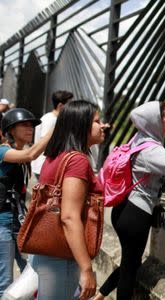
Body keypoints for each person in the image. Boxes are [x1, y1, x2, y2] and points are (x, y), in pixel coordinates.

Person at [94, 101, 165, 300]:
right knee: (130, 269)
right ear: (154, 122)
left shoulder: (139, 138)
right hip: (136, 215)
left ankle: (100, 295)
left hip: (123, 209)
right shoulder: (151, 151)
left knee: (130, 263)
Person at [32, 100, 107, 300]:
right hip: (62, 257)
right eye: (97, 121)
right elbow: (69, 216)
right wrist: (86, 269)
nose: (102, 126)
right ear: (81, 124)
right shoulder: (77, 161)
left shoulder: (57, 155)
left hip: (49, 253)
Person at [0, 108, 53, 298]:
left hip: (19, 223)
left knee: (30, 273)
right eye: (24, 124)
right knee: (5, 281)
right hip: (2, 223)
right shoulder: (3, 151)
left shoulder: (22, 157)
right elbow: (31, 155)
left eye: (32, 124)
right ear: (11, 129)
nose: (30, 128)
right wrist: (52, 131)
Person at [31, 90, 73, 180]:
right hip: (43, 166)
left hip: (46, 165)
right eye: (70, 104)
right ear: (60, 106)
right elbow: (46, 143)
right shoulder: (51, 120)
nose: (72, 107)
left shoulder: (53, 118)